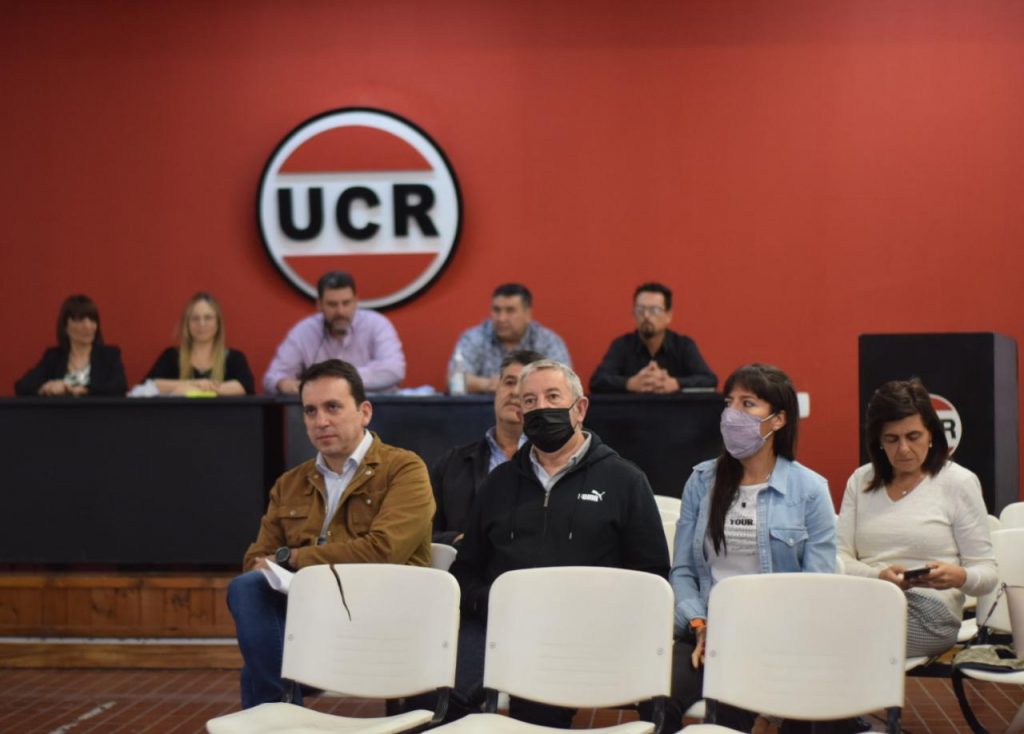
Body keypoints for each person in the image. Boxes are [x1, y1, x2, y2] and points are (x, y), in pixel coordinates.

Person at [449, 359, 669, 726]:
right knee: (437, 692)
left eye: (553, 397)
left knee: (537, 705)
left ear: (579, 409)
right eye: (530, 401)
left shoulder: (625, 481)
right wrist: (489, 600)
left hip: (583, 631)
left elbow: (652, 575)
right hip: (500, 625)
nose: (541, 408)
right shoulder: (498, 484)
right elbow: (466, 568)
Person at [228, 359, 434, 708]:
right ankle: (282, 710)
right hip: (309, 618)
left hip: (381, 615)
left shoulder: (404, 469)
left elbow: (383, 552)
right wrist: (280, 565)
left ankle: (279, 713)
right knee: (247, 587)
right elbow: (255, 560)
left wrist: (294, 558)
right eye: (310, 411)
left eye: (333, 407)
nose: (320, 421)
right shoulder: (290, 483)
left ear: (364, 412)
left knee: (256, 667)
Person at [669, 363, 835, 732]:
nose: (732, 414)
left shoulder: (810, 490)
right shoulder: (702, 481)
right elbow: (682, 570)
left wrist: (761, 633)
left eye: (748, 404)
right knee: (662, 692)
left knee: (746, 697)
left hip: (780, 634)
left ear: (779, 420)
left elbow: (818, 586)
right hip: (708, 626)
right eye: (729, 403)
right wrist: (699, 623)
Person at [837, 378, 997, 658]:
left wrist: (958, 576)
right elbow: (838, 559)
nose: (903, 449)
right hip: (865, 600)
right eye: (892, 439)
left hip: (931, 611)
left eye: (913, 436)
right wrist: (878, 576)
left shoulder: (958, 482)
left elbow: (987, 575)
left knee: (833, 638)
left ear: (931, 434)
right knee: (825, 627)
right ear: (878, 441)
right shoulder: (861, 481)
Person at [431, 349, 544, 546]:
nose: (515, 392)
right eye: (509, 382)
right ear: (497, 389)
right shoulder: (452, 463)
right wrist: (457, 540)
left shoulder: (555, 462)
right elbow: (422, 531)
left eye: (525, 385)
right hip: (463, 562)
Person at [263, 271, 405, 394]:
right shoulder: (304, 331)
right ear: (319, 304)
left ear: (356, 301)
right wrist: (283, 383)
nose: (340, 311)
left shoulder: (376, 324)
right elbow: (272, 378)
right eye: (332, 304)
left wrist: (332, 380)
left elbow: (394, 370)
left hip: (375, 408)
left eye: (346, 303)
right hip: (323, 410)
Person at [590, 282, 717, 393]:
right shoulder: (622, 345)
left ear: (668, 315)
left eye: (654, 310)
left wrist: (675, 383)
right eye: (640, 310)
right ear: (633, 314)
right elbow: (597, 381)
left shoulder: (683, 346)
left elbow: (709, 380)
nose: (646, 316)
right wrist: (629, 383)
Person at [448, 283, 570, 393]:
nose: (502, 318)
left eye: (510, 311)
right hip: (482, 409)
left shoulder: (547, 341)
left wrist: (515, 384)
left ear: (527, 314)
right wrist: (488, 384)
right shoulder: (474, 337)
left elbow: (565, 380)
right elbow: (454, 379)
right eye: (496, 310)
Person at [15, 294, 127, 397]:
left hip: (98, 412)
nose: (88, 326)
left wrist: (85, 390)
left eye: (92, 320)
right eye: (80, 320)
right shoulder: (53, 357)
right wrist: (46, 388)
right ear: (65, 327)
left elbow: (120, 387)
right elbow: (22, 386)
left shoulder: (109, 356)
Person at [145, 292, 254, 395]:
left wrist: (200, 388)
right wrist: (196, 383)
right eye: (195, 318)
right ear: (187, 324)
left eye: (208, 318)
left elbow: (245, 386)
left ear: (218, 323)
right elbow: (149, 385)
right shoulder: (171, 356)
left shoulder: (234, 358)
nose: (201, 323)